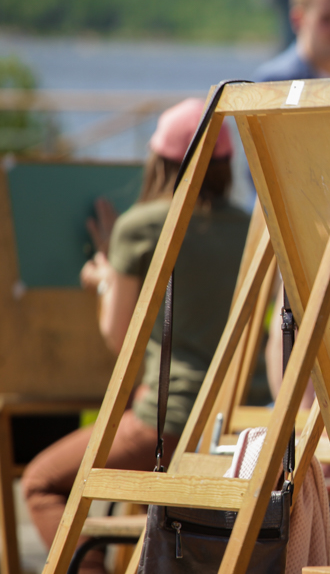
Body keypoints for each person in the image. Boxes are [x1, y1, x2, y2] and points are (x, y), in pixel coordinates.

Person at [21, 99, 253, 574]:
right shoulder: (249, 227)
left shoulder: (143, 225)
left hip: (170, 417)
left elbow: (118, 337)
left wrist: (106, 278)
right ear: (227, 166)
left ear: (162, 162)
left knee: (41, 481)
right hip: (240, 420)